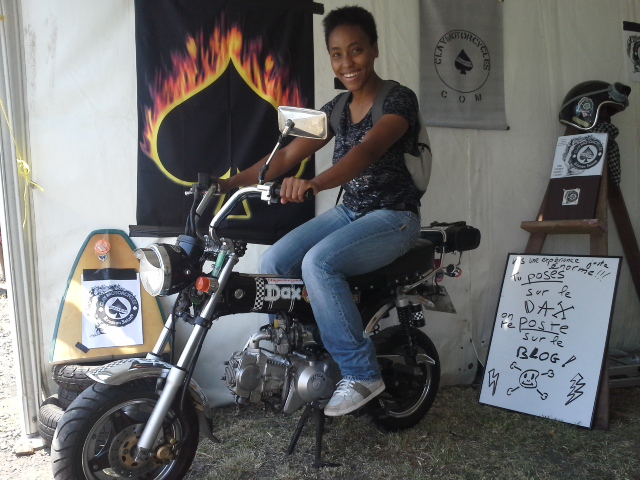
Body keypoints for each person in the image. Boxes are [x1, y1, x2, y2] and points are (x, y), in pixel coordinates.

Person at [219, 5, 422, 416]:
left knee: (319, 263)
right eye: (336, 54)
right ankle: (308, 354)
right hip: (351, 212)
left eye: (356, 50)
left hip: (394, 217)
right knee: (275, 262)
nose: (347, 63)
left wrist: (314, 184)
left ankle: (362, 372)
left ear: (374, 49)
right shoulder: (335, 109)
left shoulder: (398, 100)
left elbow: (367, 151)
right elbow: (286, 155)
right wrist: (227, 184)